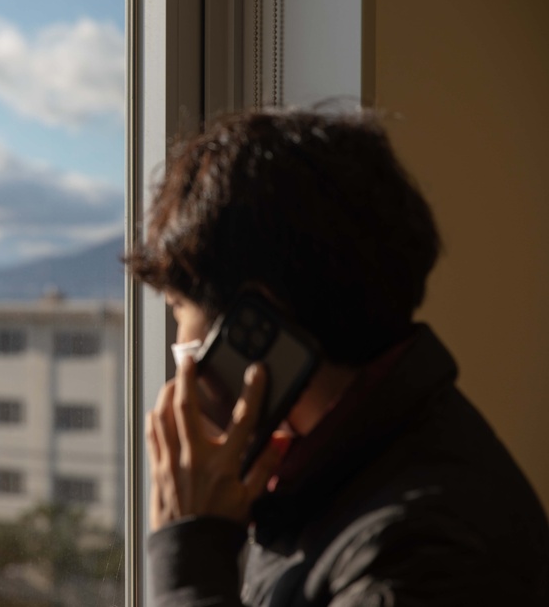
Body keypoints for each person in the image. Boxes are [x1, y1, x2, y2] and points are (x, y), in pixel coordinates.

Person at [126, 109, 549, 605]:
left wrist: (190, 558)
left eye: (180, 309)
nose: (178, 346)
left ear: (257, 325)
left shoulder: (420, 557)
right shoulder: (335, 470)